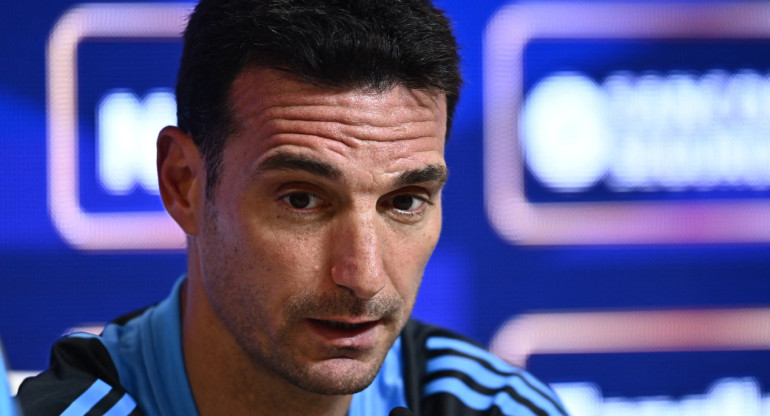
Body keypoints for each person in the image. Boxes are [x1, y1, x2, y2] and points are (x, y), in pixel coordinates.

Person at [17, 0, 568, 415]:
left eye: (404, 202)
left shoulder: (498, 406)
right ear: (182, 183)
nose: (365, 277)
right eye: (302, 200)